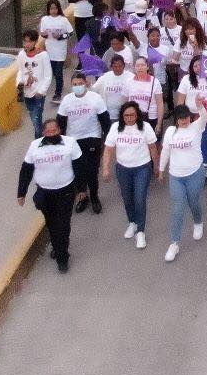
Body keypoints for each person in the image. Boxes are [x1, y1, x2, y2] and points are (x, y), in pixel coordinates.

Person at [17, 117, 82, 273]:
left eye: (54, 131)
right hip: (45, 192)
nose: (52, 133)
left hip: (65, 190)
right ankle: (56, 245)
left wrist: (81, 189)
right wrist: (22, 192)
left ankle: (62, 257)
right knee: (51, 223)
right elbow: (26, 169)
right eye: (48, 131)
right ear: (44, 132)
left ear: (59, 130)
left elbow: (79, 167)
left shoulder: (70, 143)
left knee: (63, 224)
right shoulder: (35, 146)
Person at [101, 101, 159, 250]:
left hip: (142, 168)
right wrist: (105, 168)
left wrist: (157, 167)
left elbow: (153, 147)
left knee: (139, 199)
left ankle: (140, 231)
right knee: (127, 198)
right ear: (122, 116)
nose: (129, 118)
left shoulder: (145, 127)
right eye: (126, 115)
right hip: (123, 169)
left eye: (132, 115)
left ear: (137, 115)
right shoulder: (115, 128)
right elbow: (108, 150)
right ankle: (132, 222)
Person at [158, 99, 207, 262]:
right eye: (181, 118)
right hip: (176, 176)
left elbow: (204, 116)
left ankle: (198, 221)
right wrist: (161, 170)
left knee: (193, 202)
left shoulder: (196, 127)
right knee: (178, 208)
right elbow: (166, 150)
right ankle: (174, 243)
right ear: (176, 119)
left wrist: (200, 105)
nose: (184, 120)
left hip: (195, 172)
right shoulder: (171, 131)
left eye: (186, 117)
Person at [56, 71, 109, 214]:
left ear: (86, 83)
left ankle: (94, 196)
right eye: (75, 85)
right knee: (78, 171)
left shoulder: (95, 98)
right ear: (71, 85)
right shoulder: (66, 100)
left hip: (92, 138)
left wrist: (107, 142)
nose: (78, 86)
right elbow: (60, 123)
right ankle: (82, 196)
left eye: (80, 84)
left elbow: (105, 121)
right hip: (73, 140)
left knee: (92, 171)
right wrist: (59, 143)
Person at [16, 29, 53, 135]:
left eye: (29, 41)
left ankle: (39, 141)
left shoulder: (43, 55)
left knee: (37, 118)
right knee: (33, 118)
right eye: (25, 41)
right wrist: (19, 83)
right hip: (27, 92)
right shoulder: (21, 55)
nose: (27, 44)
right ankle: (44, 137)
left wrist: (41, 91)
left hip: (38, 94)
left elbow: (48, 75)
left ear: (35, 42)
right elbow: (20, 71)